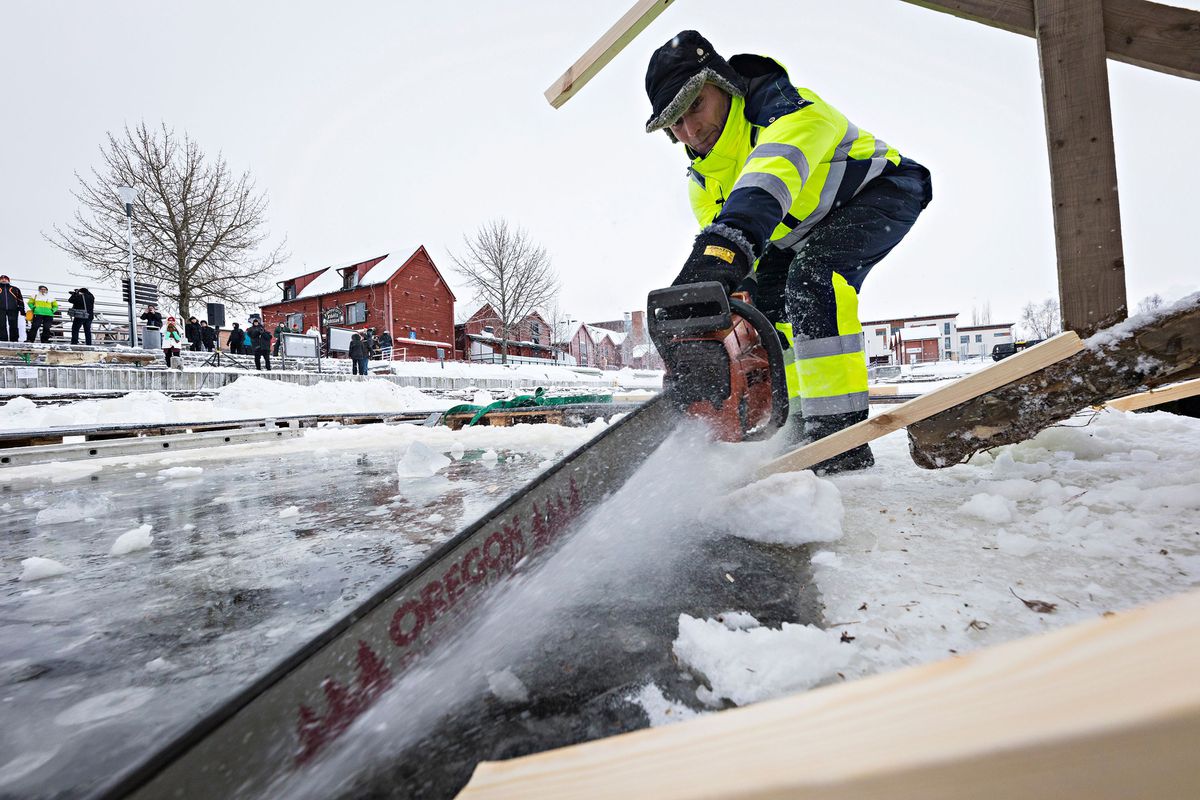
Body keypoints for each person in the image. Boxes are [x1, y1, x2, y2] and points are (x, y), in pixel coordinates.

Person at [644, 31, 932, 472]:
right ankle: (798, 420)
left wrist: (716, 262)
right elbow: (735, 261)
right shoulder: (702, 182)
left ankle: (842, 439)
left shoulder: (791, 113)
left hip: (880, 191)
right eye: (674, 123)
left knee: (816, 276)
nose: (690, 130)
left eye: (694, 107)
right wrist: (702, 326)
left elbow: (762, 191)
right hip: (798, 232)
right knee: (767, 303)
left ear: (722, 83)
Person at [0, 275, 23, 342]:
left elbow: (20, 299)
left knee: (13, 325)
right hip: (0, 309)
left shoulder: (15, 289)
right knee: (1, 325)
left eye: (5, 279)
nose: (4, 280)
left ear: (9, 280)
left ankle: (14, 340)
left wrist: (22, 309)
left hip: (13, 309)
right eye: (2, 279)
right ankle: (3, 340)